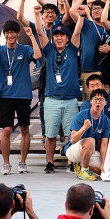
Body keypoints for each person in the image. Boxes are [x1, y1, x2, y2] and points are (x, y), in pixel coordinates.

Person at [0, 21, 42, 175]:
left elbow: (38, 55)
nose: (10, 35)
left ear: (18, 34)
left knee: (24, 129)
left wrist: (32, 36)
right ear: (4, 34)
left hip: (23, 95)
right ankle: (6, 163)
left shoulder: (25, 49)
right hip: (5, 95)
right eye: (7, 33)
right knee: (6, 129)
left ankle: (22, 162)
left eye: (13, 32)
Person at [36, 17, 81, 174]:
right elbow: (41, 34)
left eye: (62, 35)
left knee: (70, 134)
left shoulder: (72, 50)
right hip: (52, 100)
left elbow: (77, 32)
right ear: (53, 38)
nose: (59, 37)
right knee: (50, 134)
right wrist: (36, 15)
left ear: (66, 38)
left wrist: (81, 17)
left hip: (70, 100)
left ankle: (70, 162)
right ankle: (50, 162)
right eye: (56, 35)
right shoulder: (49, 51)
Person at [64, 89, 110, 181]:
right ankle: (84, 170)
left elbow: (104, 144)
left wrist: (103, 163)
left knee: (104, 171)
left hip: (91, 151)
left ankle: (81, 165)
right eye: (95, 99)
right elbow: (73, 140)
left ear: (105, 102)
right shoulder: (81, 115)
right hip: (74, 149)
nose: (98, 102)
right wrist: (84, 127)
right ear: (91, 101)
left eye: (101, 100)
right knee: (90, 140)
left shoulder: (106, 121)